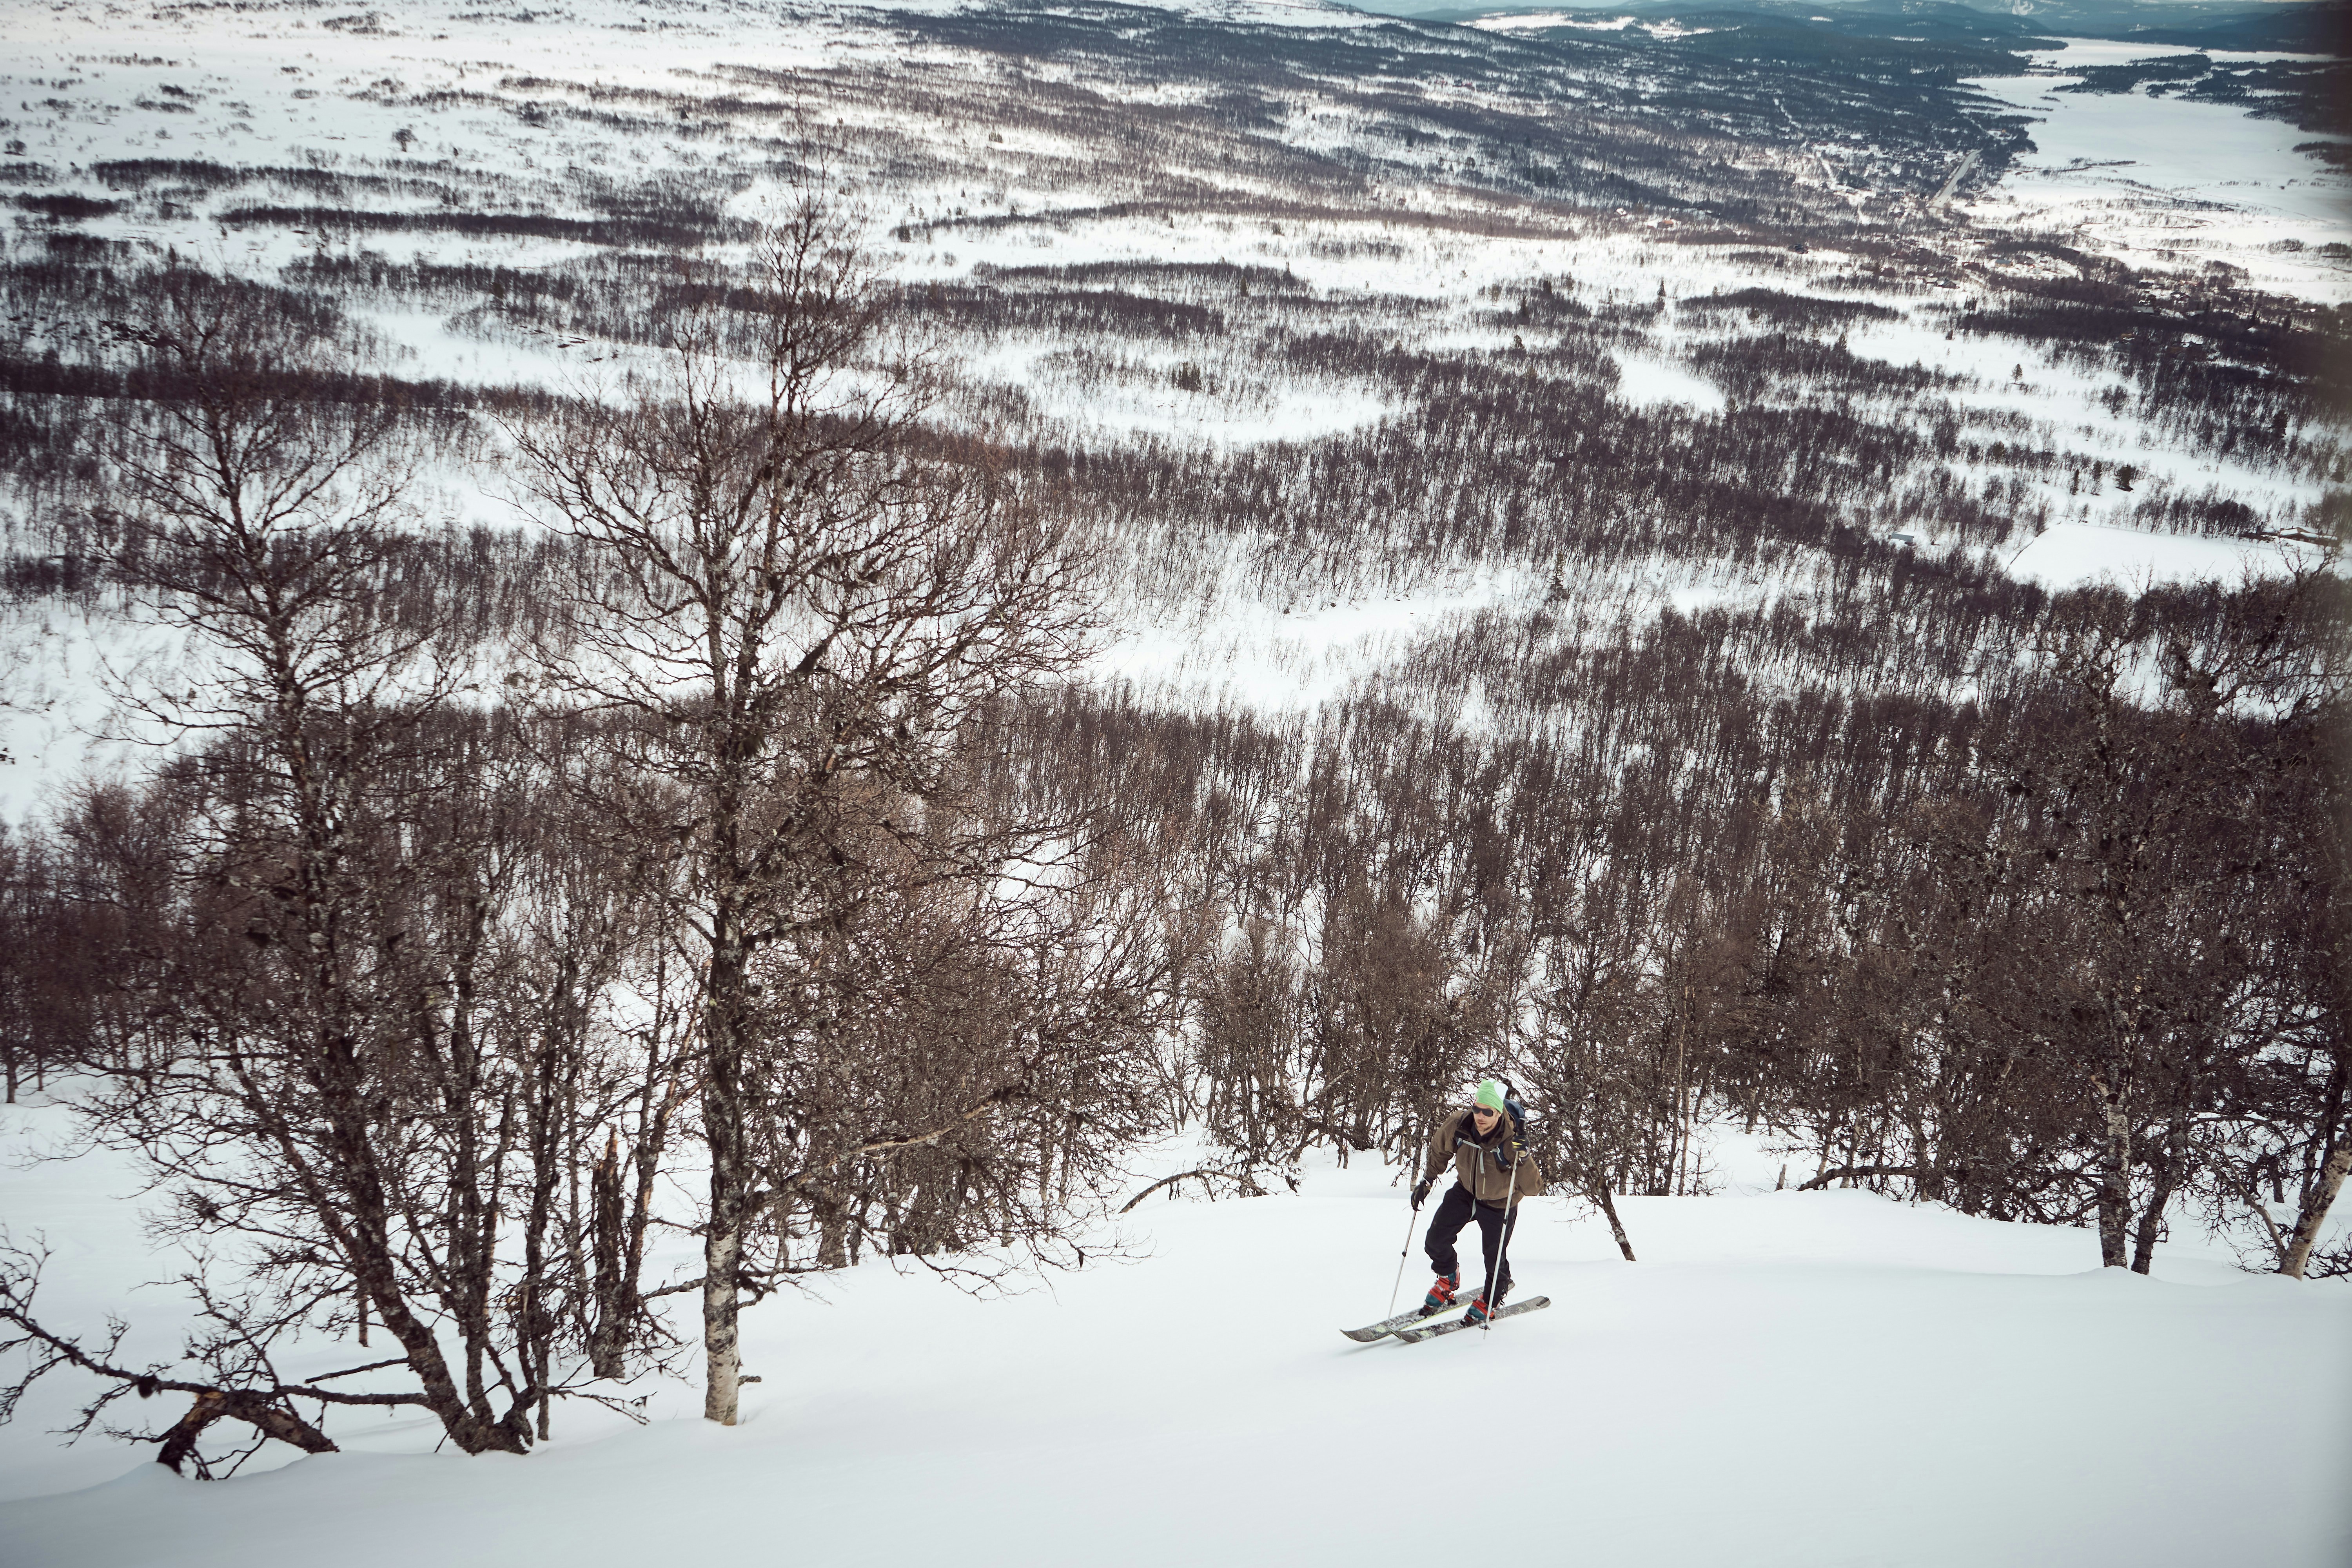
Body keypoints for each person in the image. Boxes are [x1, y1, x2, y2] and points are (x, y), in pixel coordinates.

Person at [1411, 1078, 1543, 1324]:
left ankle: (1493, 1297)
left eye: (1488, 1112)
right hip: (1466, 1192)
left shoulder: (1511, 1140)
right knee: (1436, 1240)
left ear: (1499, 1113)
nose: (1480, 1116)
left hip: (1500, 1201)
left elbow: (1534, 1187)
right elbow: (1440, 1150)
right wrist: (1427, 1181)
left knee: (1494, 1257)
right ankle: (1449, 1277)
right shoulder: (1460, 1124)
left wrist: (1523, 1157)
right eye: (1477, 1108)